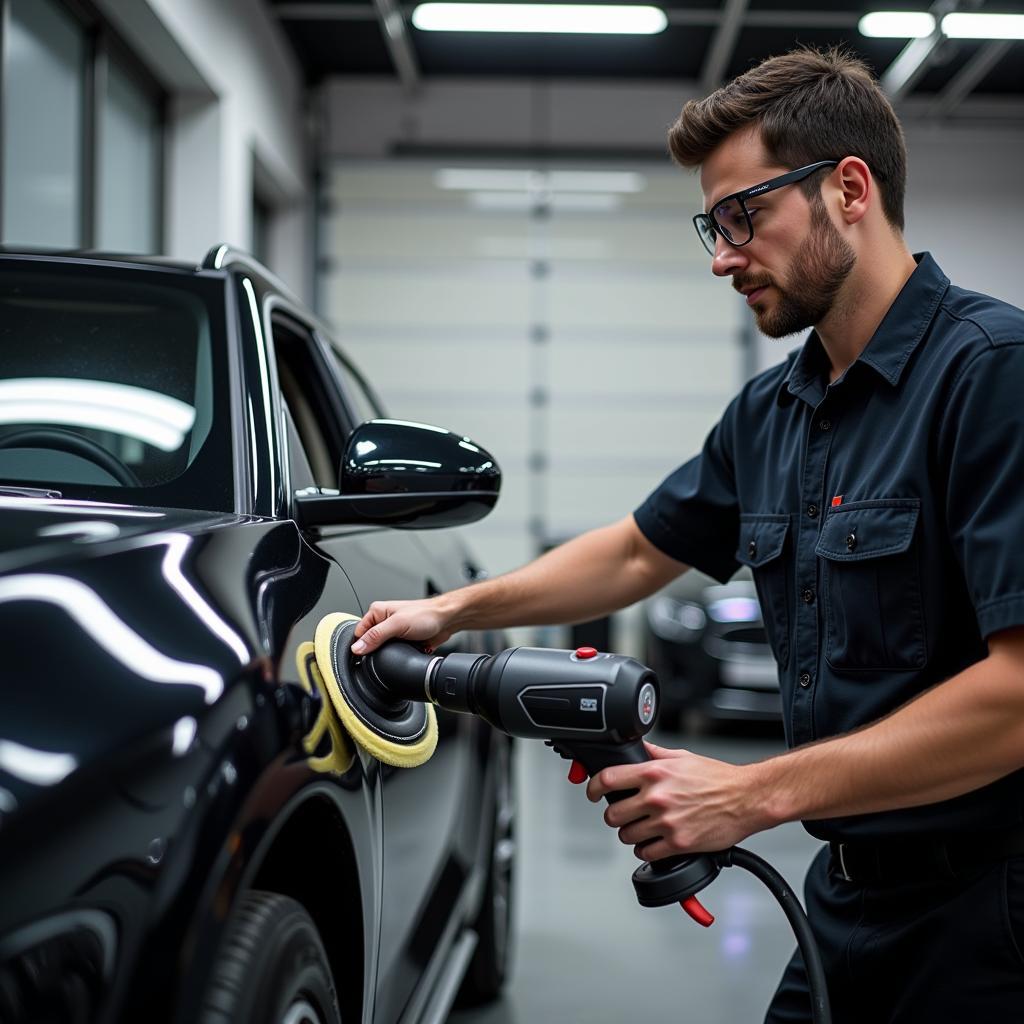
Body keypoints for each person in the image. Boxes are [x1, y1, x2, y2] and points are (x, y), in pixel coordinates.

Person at [350, 47, 1024, 1022]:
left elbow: (1014, 696)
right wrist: (453, 608)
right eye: (713, 225)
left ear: (847, 189)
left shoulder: (991, 375)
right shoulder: (771, 413)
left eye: (745, 216)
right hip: (847, 894)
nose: (721, 255)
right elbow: (634, 550)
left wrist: (750, 795)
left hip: (991, 912)